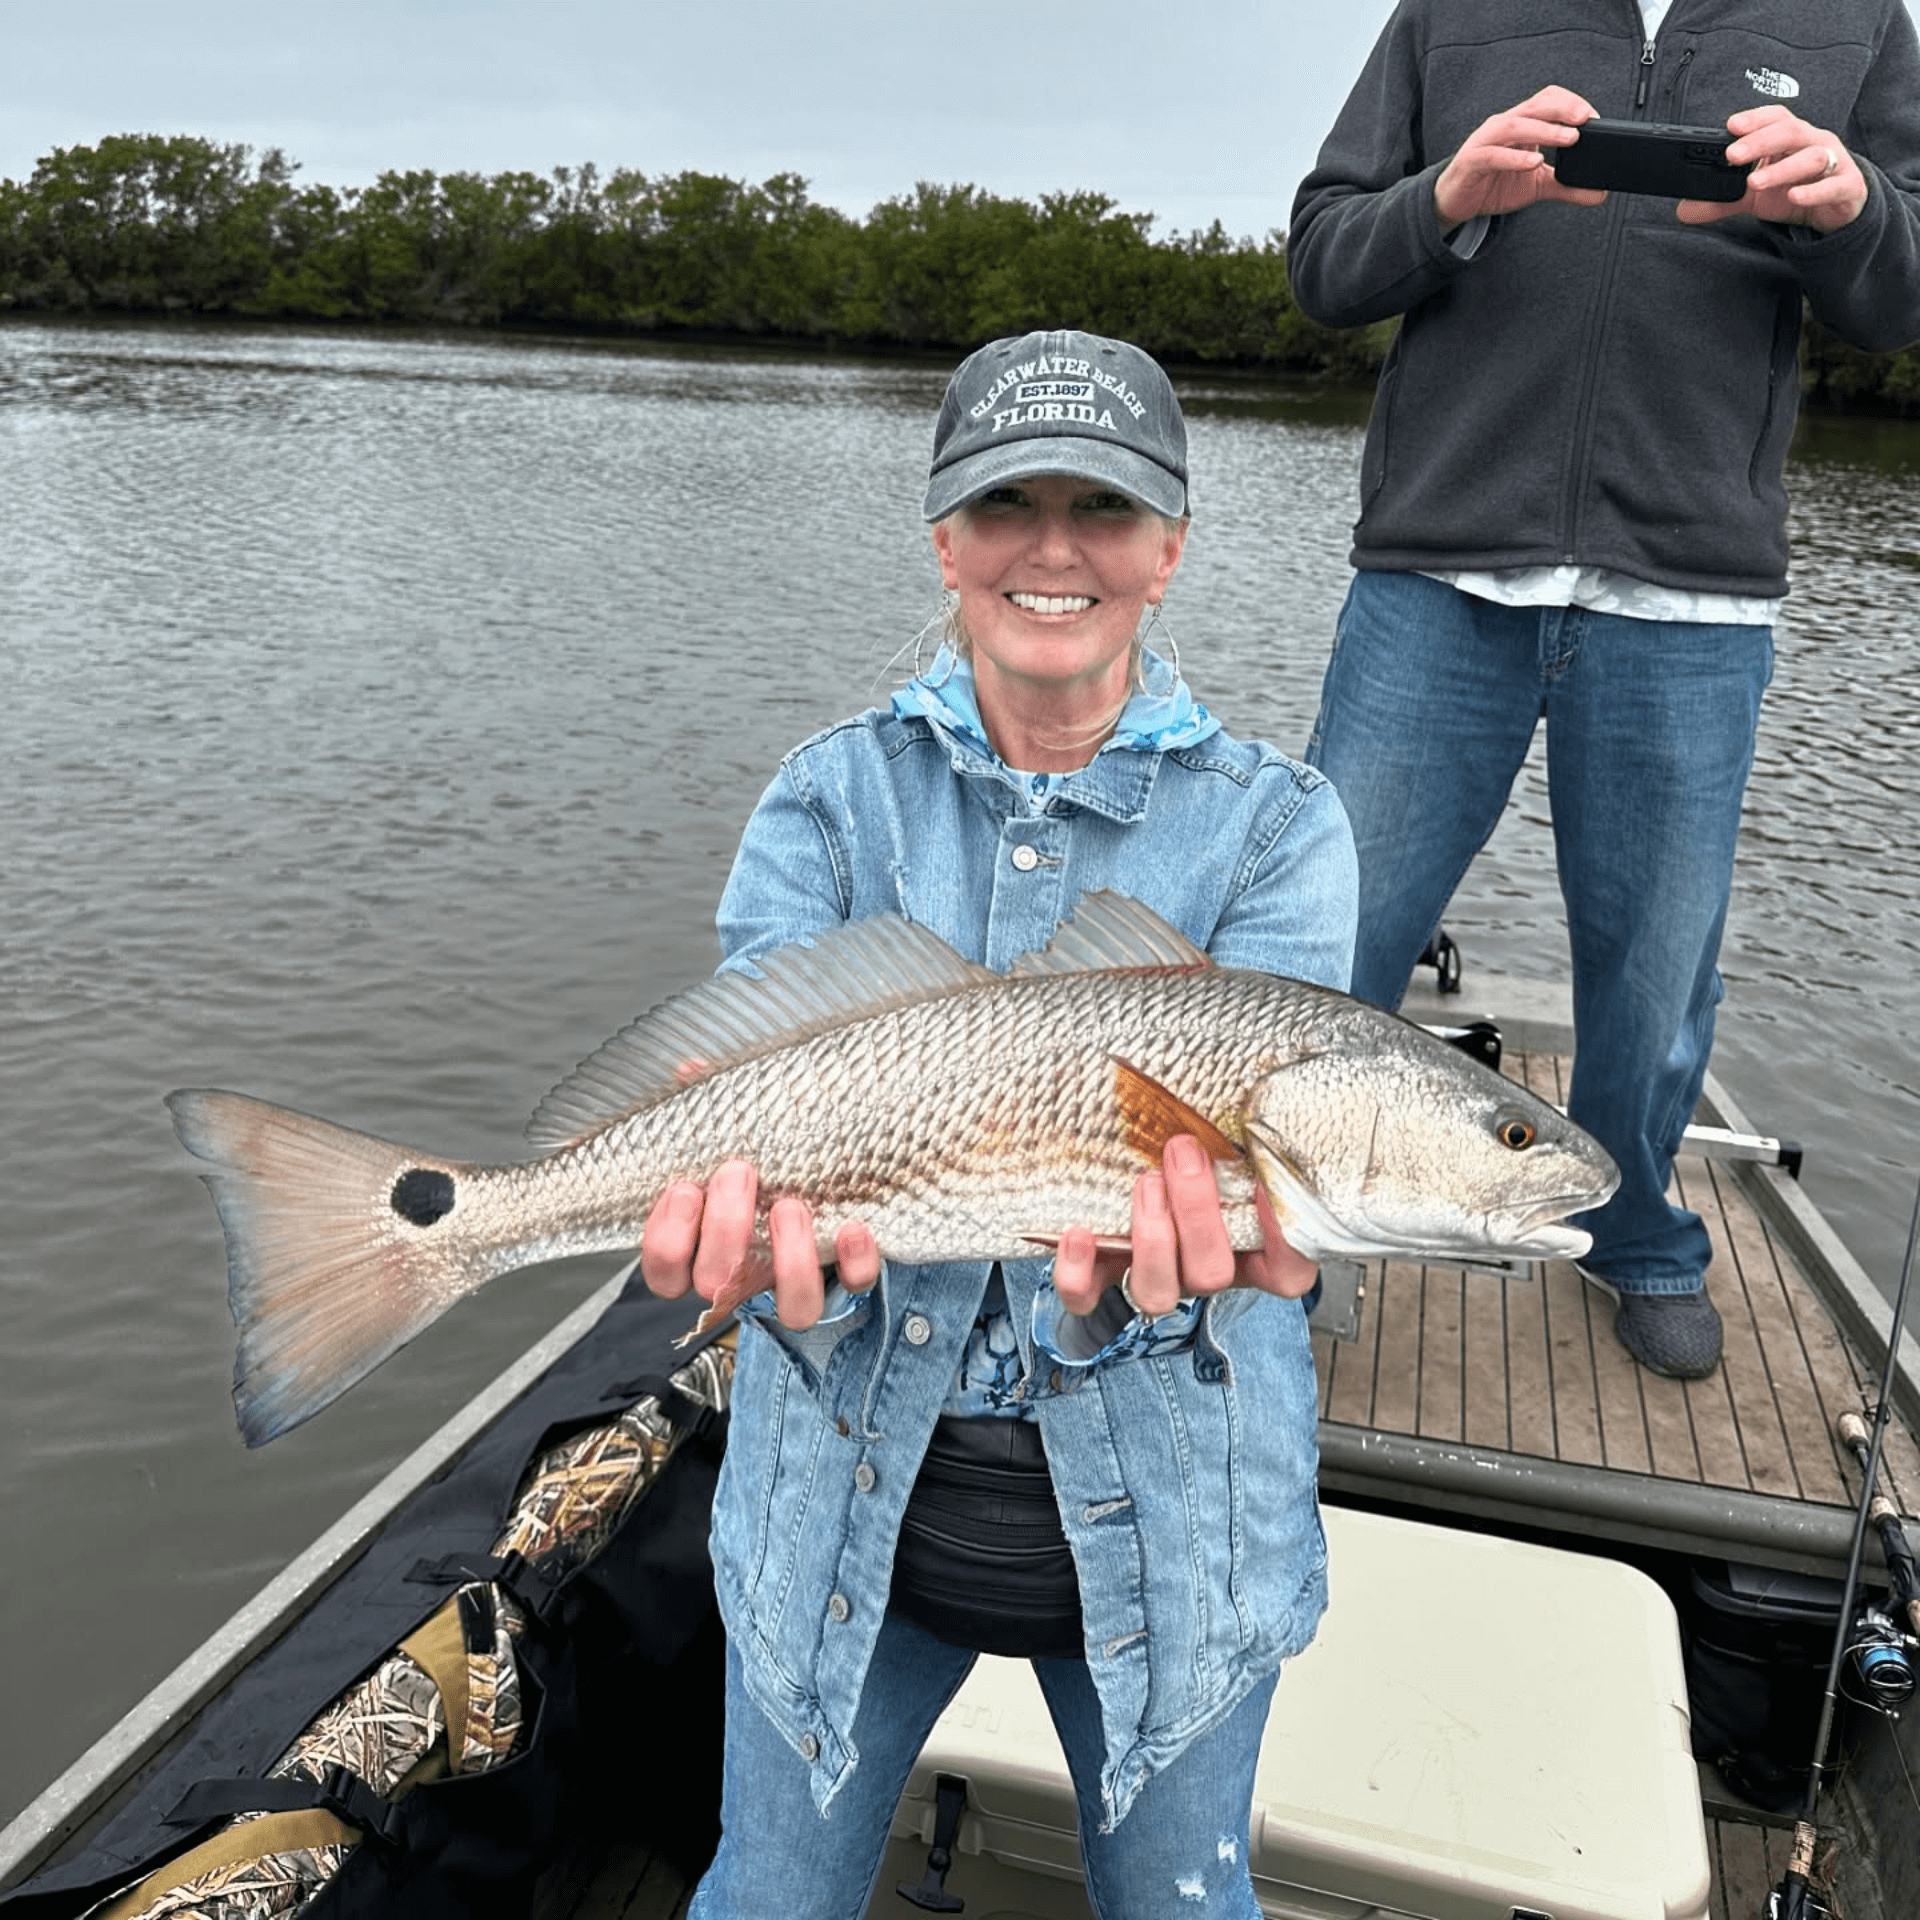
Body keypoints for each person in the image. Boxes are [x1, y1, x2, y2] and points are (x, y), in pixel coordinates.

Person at [637, 327, 1358, 1917]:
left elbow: (1273, 1232)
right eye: (1005, 505)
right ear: (944, 542)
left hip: (1179, 1539)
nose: (1053, 550)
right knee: (764, 1895)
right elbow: (753, 1103)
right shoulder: (830, 799)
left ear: (1170, 549)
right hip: (841, 1507)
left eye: (1102, 509)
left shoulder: (1282, 826)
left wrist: (1157, 1287)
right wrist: (747, 1249)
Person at [1287, 0, 1920, 1379]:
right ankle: (1294, 1230)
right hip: (1434, 575)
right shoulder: (1449, 11)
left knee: (1655, 969)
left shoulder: (1858, 20)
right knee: (1333, 934)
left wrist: (1856, 203)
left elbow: (1899, 303)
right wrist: (1447, 197)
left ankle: (1637, 1233)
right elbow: (1325, 261)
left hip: (1691, 597)